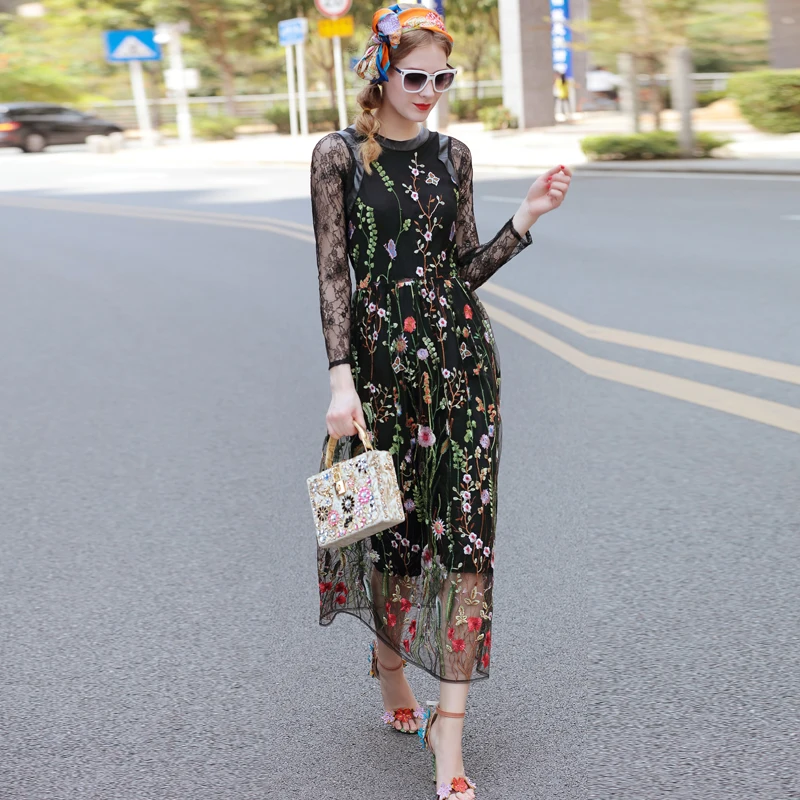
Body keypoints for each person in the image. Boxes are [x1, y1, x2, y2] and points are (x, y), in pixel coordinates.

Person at [309, 5, 571, 798]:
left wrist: (525, 218)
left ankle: (447, 741)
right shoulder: (339, 156)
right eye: (414, 76)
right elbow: (334, 276)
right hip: (381, 375)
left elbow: (463, 269)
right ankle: (391, 671)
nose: (428, 92)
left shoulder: (455, 156)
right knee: (389, 529)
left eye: (442, 79)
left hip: (463, 370)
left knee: (464, 542)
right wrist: (341, 379)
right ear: (380, 75)